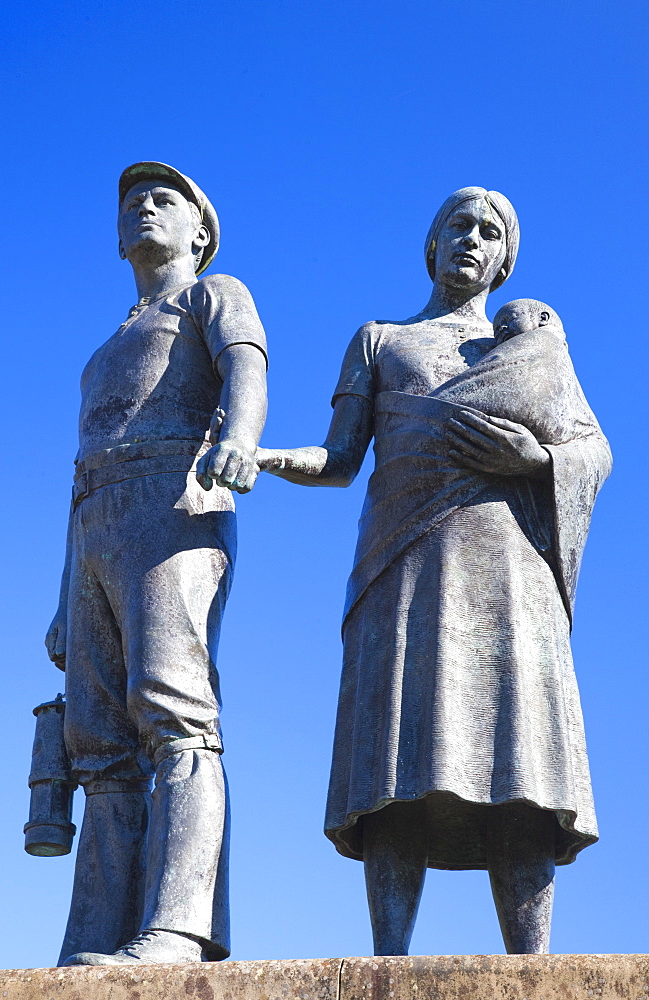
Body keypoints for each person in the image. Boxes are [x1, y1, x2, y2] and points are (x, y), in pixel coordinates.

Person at [253, 188, 611, 955]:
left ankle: (533, 968)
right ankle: (389, 961)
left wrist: (538, 460)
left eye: (490, 232)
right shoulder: (381, 341)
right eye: (459, 226)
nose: (472, 240)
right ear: (432, 243)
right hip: (402, 564)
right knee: (396, 763)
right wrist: (265, 456)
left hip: (512, 570)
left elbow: (594, 448)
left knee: (520, 763)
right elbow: (340, 458)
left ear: (506, 259)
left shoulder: (535, 350)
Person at [45, 161, 268, 966]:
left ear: (200, 232)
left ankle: (178, 927)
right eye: (132, 200)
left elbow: (246, 364)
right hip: (95, 524)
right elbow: (82, 467)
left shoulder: (214, 293)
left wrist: (240, 436)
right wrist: (63, 599)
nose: (144, 206)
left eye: (165, 198)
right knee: (98, 744)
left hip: (174, 501)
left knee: (175, 714)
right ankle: (95, 937)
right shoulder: (106, 347)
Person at [493, 298, 564, 343]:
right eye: (496, 331)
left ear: (542, 318)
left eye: (510, 319)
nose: (502, 327)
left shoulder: (546, 341)